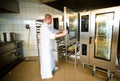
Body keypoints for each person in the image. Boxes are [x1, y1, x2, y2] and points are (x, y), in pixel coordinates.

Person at [39, 14, 67, 79]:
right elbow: (52, 35)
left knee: (51, 58)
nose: (51, 20)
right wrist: (63, 34)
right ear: (48, 19)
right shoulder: (44, 27)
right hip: (45, 48)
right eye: (51, 19)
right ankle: (47, 74)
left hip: (49, 47)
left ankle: (52, 68)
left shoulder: (48, 26)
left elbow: (54, 31)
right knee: (47, 60)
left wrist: (61, 30)